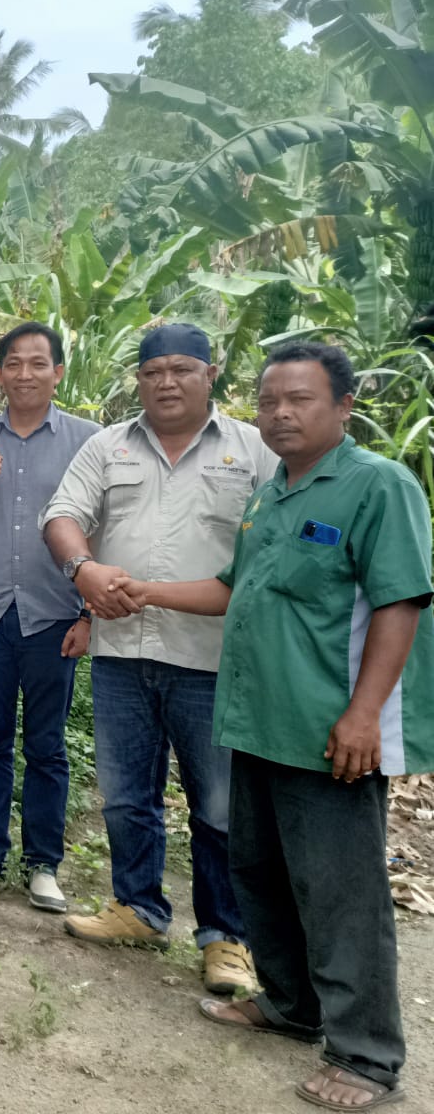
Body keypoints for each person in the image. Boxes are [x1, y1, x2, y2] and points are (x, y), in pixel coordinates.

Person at [114, 341, 428, 1112]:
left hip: (329, 732)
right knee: (259, 869)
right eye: (269, 402)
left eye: (300, 400)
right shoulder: (272, 493)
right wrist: (142, 590)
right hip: (256, 718)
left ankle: (364, 1056)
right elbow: (231, 589)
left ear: (343, 407)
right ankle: (290, 1006)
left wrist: (360, 714)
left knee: (339, 890)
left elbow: (399, 603)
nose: (280, 414)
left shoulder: (375, 487)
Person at [40, 323, 274, 995]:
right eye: (151, 372)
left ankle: (226, 937)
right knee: (124, 797)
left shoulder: (252, 451)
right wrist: (81, 569)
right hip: (120, 654)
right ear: (136, 380)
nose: (164, 382)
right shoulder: (106, 447)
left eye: (179, 369)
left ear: (210, 375)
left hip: (212, 660)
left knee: (220, 807)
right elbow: (62, 515)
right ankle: (137, 907)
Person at [0, 322, 100, 914]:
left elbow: (102, 530)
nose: (25, 373)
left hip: (55, 614)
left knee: (49, 745)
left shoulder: (91, 441)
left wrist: (88, 615)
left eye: (38, 363)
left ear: (58, 371)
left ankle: (44, 864)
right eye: (13, 363)